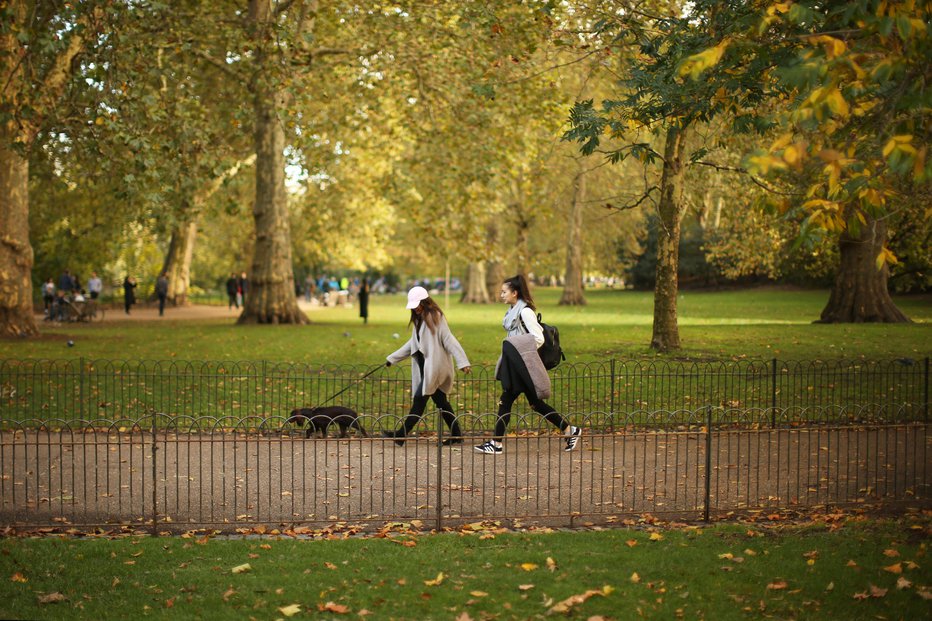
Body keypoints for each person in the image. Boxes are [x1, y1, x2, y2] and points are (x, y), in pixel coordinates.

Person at [475, 274, 581, 455]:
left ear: (515, 293)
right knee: (535, 404)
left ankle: (496, 443)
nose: (501, 295)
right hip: (515, 364)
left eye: (504, 292)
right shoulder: (512, 312)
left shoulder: (525, 312)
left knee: (506, 400)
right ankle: (569, 430)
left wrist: (520, 351)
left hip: (523, 365)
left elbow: (538, 338)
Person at [383, 286, 471, 446]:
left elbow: (448, 339)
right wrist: (392, 358)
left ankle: (401, 435)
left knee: (419, 400)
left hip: (435, 368)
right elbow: (413, 344)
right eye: (414, 305)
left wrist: (462, 362)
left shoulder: (435, 317)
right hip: (426, 369)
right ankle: (457, 434)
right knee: (441, 402)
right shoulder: (418, 319)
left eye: (418, 304)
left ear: (425, 302)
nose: (416, 308)